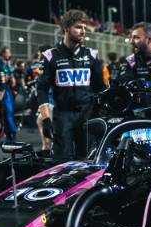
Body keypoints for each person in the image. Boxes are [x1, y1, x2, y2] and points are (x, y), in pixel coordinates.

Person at [36, 9, 105, 160]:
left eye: (85, 28)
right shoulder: (50, 56)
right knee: (61, 161)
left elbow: (100, 88)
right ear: (66, 28)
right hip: (62, 116)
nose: (83, 32)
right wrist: (46, 119)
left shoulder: (91, 55)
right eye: (79, 27)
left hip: (87, 115)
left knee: (87, 161)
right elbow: (41, 89)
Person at [0, 46, 19, 142]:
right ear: (3, 53)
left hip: (7, 90)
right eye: (8, 52)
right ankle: (11, 133)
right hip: (2, 91)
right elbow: (2, 81)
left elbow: (10, 76)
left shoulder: (5, 63)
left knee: (8, 112)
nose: (9, 54)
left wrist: (11, 78)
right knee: (7, 112)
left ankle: (10, 133)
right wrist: (0, 97)